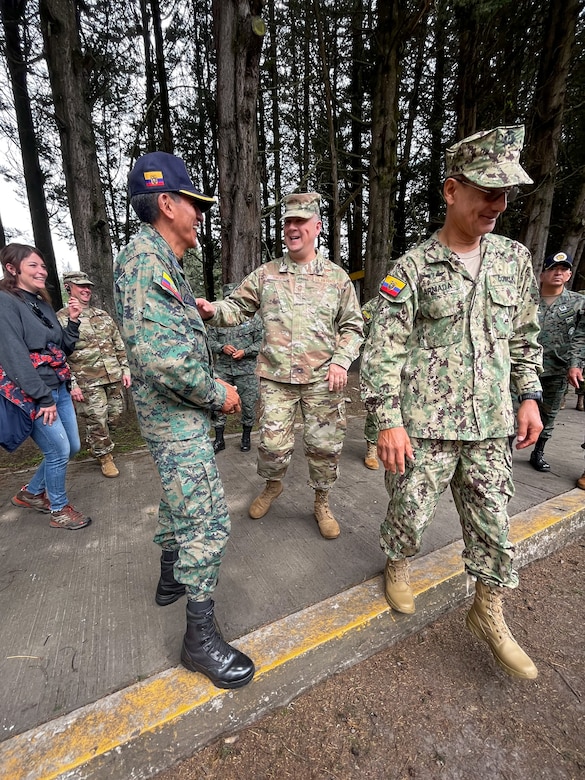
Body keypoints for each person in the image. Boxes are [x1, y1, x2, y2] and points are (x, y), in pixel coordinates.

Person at [361, 125, 543, 680]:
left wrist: (530, 394)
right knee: (409, 513)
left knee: (494, 522)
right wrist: (387, 422)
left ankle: (488, 612)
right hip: (426, 429)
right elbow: (382, 352)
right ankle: (397, 563)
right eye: (487, 190)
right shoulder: (411, 269)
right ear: (451, 191)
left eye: (505, 193)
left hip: (490, 424)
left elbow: (524, 336)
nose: (497, 204)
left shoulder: (514, 261)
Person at [113, 151, 254, 690]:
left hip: (169, 416)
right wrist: (217, 393)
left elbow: (164, 340)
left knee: (178, 499)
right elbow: (161, 358)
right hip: (176, 417)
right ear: (166, 203)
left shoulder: (156, 261)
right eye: (193, 203)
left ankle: (169, 578)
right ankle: (199, 640)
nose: (199, 214)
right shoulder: (147, 260)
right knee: (208, 520)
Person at [196, 192, 364, 540]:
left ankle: (322, 501)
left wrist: (341, 361)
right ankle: (273, 485)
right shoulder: (266, 275)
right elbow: (236, 308)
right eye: (288, 221)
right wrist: (212, 311)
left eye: (300, 221)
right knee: (272, 446)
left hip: (322, 380)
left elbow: (353, 326)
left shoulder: (336, 278)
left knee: (324, 447)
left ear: (317, 227)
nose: (292, 227)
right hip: (276, 378)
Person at [0, 243, 91, 530]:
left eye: (43, 266)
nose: (42, 271)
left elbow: (62, 347)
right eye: (33, 266)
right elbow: (13, 357)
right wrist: (42, 398)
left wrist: (73, 322)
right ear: (12, 269)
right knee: (58, 450)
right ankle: (59, 509)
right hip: (35, 393)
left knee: (72, 447)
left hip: (58, 387)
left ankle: (30, 493)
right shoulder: (5, 302)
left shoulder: (41, 303)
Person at [56, 271, 132, 478]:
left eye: (88, 286)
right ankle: (105, 456)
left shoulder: (103, 315)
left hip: (113, 376)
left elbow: (118, 343)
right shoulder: (61, 319)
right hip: (87, 381)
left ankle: (96, 442)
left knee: (114, 418)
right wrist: (72, 384)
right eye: (80, 286)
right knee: (97, 420)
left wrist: (125, 369)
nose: (86, 289)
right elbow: (59, 355)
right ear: (68, 287)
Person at [528, 252, 585, 472]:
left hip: (557, 367)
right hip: (524, 367)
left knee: (549, 413)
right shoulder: (527, 299)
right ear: (542, 274)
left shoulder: (578, 303)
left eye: (563, 269)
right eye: (553, 268)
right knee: (511, 410)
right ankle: (506, 452)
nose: (558, 273)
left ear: (569, 274)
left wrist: (575, 363)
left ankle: (539, 451)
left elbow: (581, 337)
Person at [207, 283, 263, 453]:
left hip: (246, 371)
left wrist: (245, 352)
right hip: (223, 369)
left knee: (248, 404)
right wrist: (221, 348)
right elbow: (208, 341)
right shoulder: (216, 319)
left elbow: (262, 342)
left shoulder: (254, 319)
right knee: (219, 402)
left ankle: (246, 437)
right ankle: (219, 439)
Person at [361, 297, 380, 470]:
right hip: (379, 365)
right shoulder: (374, 306)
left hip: (411, 365)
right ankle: (372, 448)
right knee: (376, 407)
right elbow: (359, 332)